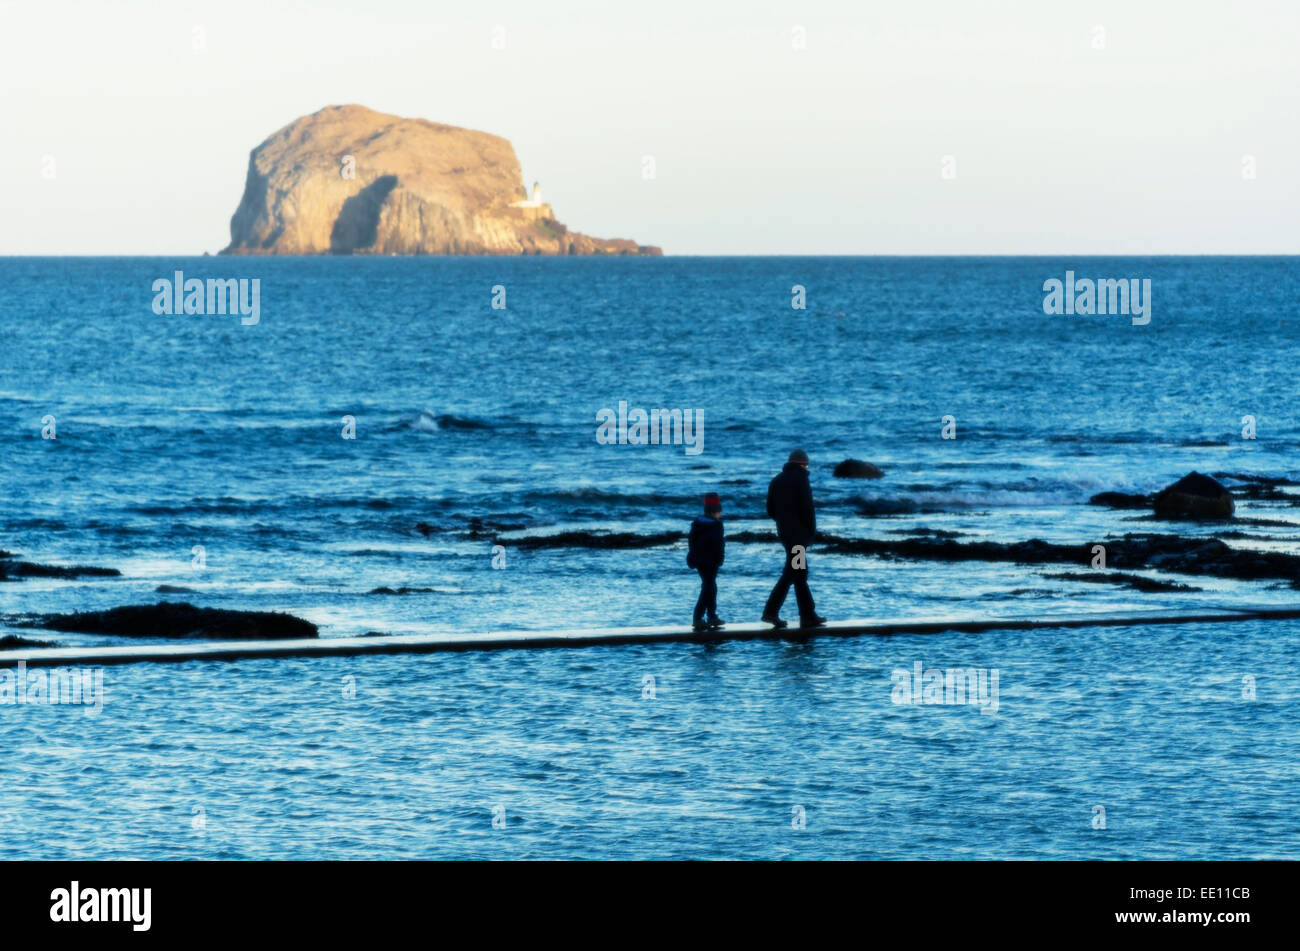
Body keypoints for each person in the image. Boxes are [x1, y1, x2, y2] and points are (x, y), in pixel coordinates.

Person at [761, 449, 826, 629]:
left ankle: (807, 615)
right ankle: (773, 612)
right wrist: (810, 532)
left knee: (798, 573)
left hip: (786, 534)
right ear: (804, 464)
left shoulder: (776, 480)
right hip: (799, 537)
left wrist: (784, 523)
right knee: (795, 573)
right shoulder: (801, 480)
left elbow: (770, 510)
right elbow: (807, 509)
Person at [686, 492, 726, 632]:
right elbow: (718, 545)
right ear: (716, 511)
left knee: (710, 587)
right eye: (719, 511)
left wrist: (691, 557)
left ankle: (711, 616)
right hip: (711, 561)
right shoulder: (716, 526)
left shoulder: (697, 524)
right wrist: (720, 559)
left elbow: (692, 543)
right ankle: (699, 617)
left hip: (699, 560)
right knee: (709, 588)